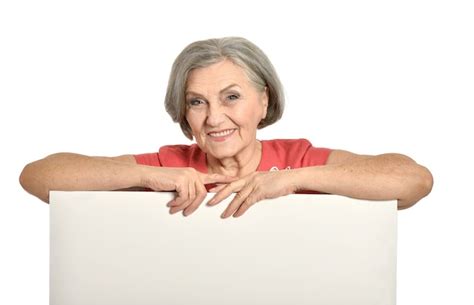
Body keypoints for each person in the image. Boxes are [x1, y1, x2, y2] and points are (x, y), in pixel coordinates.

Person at [19, 37, 433, 219]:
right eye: (197, 102)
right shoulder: (170, 164)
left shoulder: (299, 158)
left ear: (264, 100)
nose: (213, 118)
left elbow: (413, 181)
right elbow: (38, 177)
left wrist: (292, 181)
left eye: (231, 97)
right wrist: (148, 175)